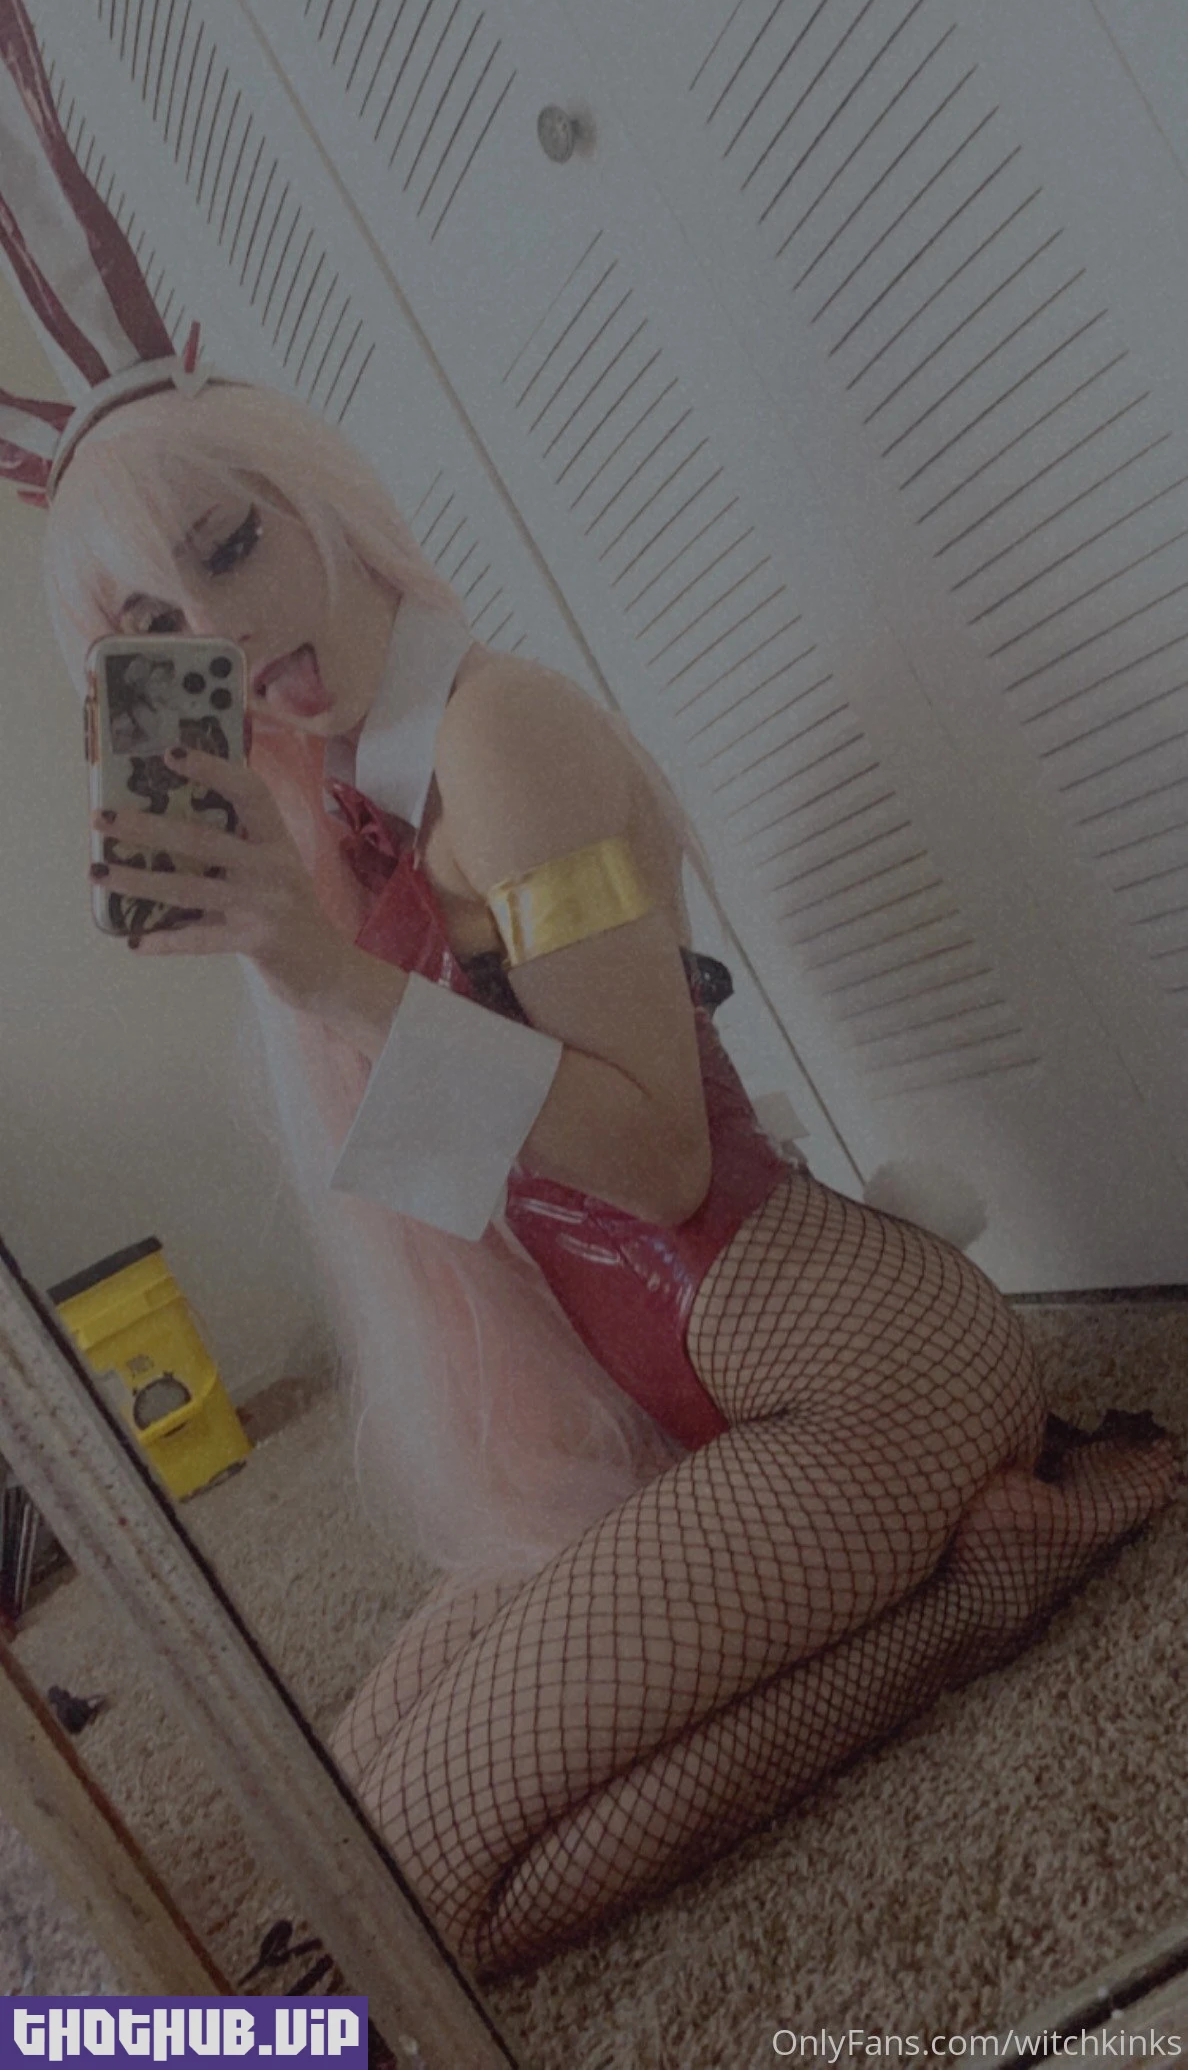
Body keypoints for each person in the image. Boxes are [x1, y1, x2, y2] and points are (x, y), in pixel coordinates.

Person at [38, 379, 1179, 1980]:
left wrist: (332, 979)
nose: (220, 635)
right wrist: (299, 948)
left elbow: (654, 1161)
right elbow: (479, 1185)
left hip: (864, 1376)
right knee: (335, 1812)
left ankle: (972, 1604)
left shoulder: (504, 736)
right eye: (159, 629)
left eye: (232, 547)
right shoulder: (354, 804)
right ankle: (961, 1587)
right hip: (708, 1406)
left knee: (410, 1899)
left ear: (324, 504)